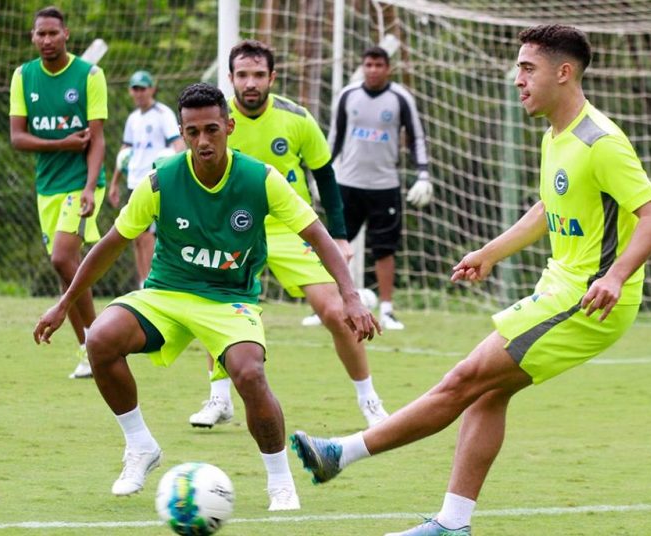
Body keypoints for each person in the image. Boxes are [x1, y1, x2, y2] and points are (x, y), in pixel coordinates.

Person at [291, 24, 651, 535]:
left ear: (564, 72)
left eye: (527, 68)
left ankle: (344, 452)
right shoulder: (555, 134)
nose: (518, 79)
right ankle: (453, 523)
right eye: (517, 67)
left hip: (586, 300)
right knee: (489, 393)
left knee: (464, 380)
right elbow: (546, 207)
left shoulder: (600, 141)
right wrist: (490, 252)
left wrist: (617, 276)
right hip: (558, 286)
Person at [33, 82, 379, 511]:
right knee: (99, 339)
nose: (203, 141)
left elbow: (318, 235)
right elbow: (110, 243)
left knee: (249, 373)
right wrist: (64, 303)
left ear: (229, 127)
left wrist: (351, 296)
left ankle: (279, 482)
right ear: (181, 133)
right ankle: (141, 446)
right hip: (167, 293)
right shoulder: (160, 182)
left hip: (229, 300)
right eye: (192, 132)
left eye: (211, 129)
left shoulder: (260, 179)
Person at [188, 40, 389, 430]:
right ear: (230, 78)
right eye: (242, 75)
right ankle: (218, 398)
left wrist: (341, 236)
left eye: (258, 75)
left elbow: (325, 176)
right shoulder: (216, 121)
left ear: (272, 78)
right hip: (234, 231)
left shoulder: (296, 118)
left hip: (290, 227)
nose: (250, 83)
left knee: (335, 311)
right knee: (215, 308)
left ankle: (370, 401)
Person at [10, 6, 108, 379]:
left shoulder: (90, 75)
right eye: (40, 34)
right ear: (33, 37)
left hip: (81, 183)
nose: (47, 40)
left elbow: (97, 140)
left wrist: (89, 187)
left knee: (62, 258)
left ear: (66, 34)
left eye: (53, 33)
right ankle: (89, 349)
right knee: (66, 270)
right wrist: (63, 143)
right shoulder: (24, 76)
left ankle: (100, 340)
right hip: (46, 188)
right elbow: (18, 138)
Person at [328, 45, 433, 331]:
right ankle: (327, 304)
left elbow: (416, 137)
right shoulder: (348, 95)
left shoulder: (400, 98)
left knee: (384, 250)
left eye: (378, 65)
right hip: (347, 183)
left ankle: (386, 310)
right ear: (363, 67)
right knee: (336, 246)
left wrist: (423, 174)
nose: (373, 70)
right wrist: (323, 175)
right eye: (368, 65)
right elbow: (335, 137)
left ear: (388, 68)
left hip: (384, 185)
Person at [107, 70, 185, 288]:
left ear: (152, 88)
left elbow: (178, 144)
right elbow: (125, 152)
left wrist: (180, 174)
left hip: (155, 182)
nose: (139, 93)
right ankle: (143, 282)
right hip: (133, 182)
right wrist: (115, 182)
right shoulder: (133, 119)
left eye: (143, 88)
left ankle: (152, 282)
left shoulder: (163, 114)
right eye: (135, 88)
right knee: (136, 234)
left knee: (149, 234)